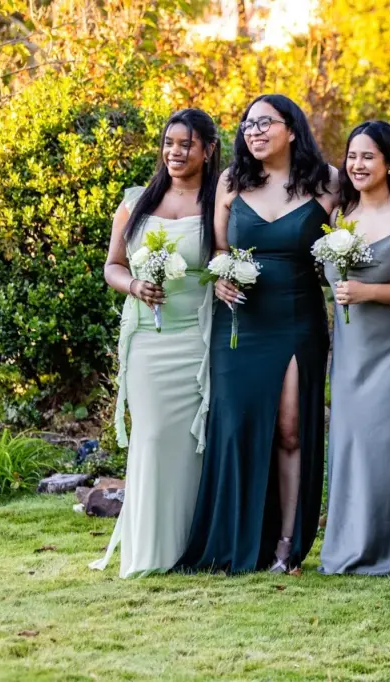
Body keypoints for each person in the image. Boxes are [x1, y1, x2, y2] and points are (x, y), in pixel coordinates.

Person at [178, 94, 337, 574]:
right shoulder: (231, 180)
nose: (255, 131)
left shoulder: (327, 181)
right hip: (241, 321)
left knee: (291, 429)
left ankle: (286, 543)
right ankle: (237, 536)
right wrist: (220, 274)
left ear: (292, 128)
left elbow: (360, 230)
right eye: (248, 123)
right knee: (238, 430)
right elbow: (217, 249)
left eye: (265, 122)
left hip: (297, 315)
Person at [92, 109, 220, 577]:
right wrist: (134, 287)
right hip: (149, 339)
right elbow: (113, 265)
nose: (175, 152)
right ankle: (147, 552)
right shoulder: (136, 201)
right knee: (150, 437)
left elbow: (224, 258)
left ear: (207, 149)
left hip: (195, 340)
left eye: (185, 144)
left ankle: (188, 548)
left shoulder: (219, 201)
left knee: (190, 444)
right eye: (169, 143)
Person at [318, 121, 390, 575]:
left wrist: (369, 293)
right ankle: (350, 544)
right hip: (350, 353)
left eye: (368, 157)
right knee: (352, 444)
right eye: (352, 156)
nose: (357, 165)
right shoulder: (341, 217)